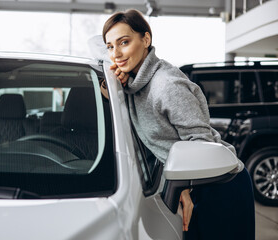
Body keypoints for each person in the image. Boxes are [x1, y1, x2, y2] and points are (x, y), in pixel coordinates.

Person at [102, 9, 255, 240]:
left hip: (219, 186)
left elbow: (200, 144)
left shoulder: (166, 85)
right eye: (111, 46)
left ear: (146, 39)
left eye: (124, 42)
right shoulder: (132, 83)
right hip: (193, 184)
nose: (117, 53)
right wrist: (109, 89)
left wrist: (183, 186)